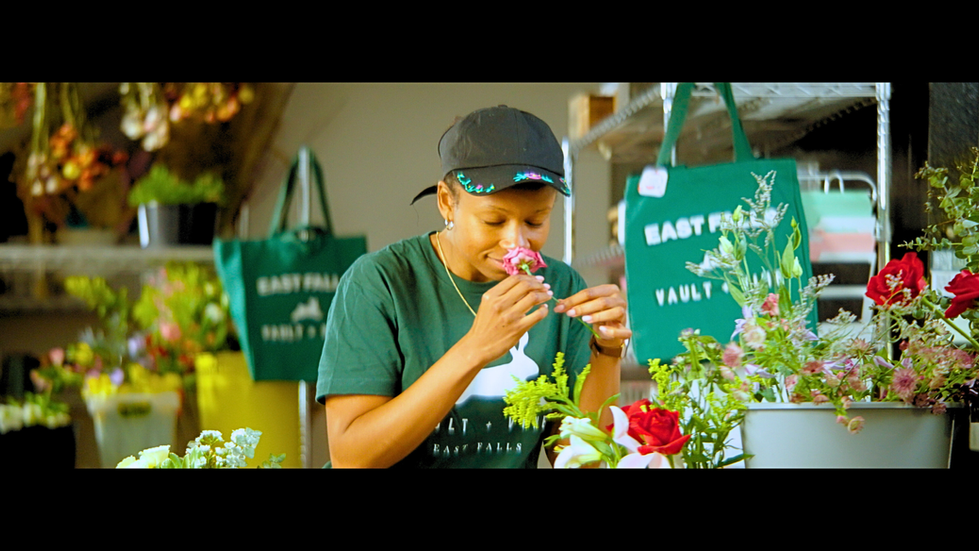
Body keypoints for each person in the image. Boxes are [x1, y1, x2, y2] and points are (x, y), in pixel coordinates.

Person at [315, 105, 630, 468]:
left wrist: (607, 350)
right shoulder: (379, 284)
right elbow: (351, 458)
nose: (517, 242)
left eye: (535, 220)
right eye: (494, 221)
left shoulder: (559, 287)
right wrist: (476, 348)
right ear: (447, 203)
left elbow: (583, 461)